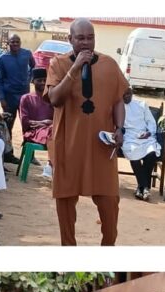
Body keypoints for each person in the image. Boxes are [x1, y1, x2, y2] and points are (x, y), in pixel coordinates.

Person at [44, 19, 130, 246]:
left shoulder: (109, 64)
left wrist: (120, 128)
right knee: (65, 204)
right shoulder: (58, 64)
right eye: (80, 38)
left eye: (90, 38)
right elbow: (54, 99)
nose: (85, 42)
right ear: (70, 39)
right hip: (68, 146)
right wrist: (74, 69)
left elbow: (118, 100)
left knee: (110, 203)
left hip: (101, 148)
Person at [122, 88, 161, 201]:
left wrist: (149, 133)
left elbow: (151, 122)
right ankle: (145, 187)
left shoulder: (141, 104)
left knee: (151, 153)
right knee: (133, 153)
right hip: (129, 137)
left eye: (128, 94)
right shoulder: (118, 106)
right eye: (124, 94)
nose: (126, 96)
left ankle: (141, 187)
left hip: (145, 136)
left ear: (132, 93)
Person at [0, 33, 35, 142]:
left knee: (27, 125)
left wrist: (29, 78)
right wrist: (2, 98)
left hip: (24, 96)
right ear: (8, 43)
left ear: (20, 43)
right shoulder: (2, 58)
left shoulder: (27, 54)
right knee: (8, 125)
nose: (15, 44)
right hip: (9, 98)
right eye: (12, 42)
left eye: (17, 41)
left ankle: (28, 150)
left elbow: (33, 66)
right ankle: (8, 150)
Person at [19, 67, 54, 177]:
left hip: (51, 129)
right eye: (39, 80)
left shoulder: (52, 98)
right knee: (55, 132)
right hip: (32, 132)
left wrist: (48, 123)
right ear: (33, 81)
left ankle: (54, 166)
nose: (43, 83)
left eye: (45, 80)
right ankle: (50, 165)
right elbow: (25, 122)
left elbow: (58, 119)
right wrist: (45, 122)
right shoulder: (26, 98)